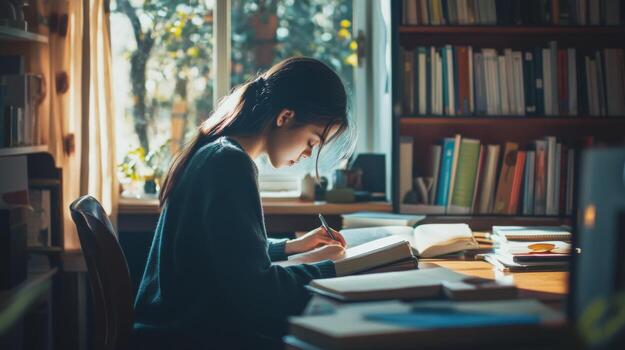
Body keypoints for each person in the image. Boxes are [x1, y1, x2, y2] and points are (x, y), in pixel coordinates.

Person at [132, 57, 356, 349]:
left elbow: (224, 250)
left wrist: (288, 247)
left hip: (174, 329)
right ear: (285, 117)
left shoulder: (219, 152)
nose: (307, 154)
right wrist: (336, 269)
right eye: (312, 142)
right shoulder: (229, 163)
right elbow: (259, 295)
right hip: (188, 337)